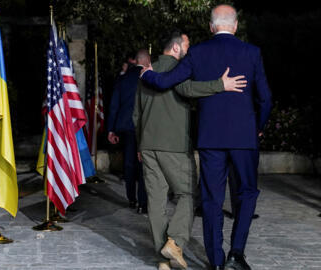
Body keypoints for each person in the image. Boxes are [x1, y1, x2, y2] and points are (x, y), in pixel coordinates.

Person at [140, 4, 272, 270]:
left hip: (210, 139)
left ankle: (216, 260)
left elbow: (168, 82)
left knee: (212, 199)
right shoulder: (251, 52)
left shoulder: (198, 52)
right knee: (247, 194)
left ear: (211, 27)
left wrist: (148, 74)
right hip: (244, 138)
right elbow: (265, 98)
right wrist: (257, 126)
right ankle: (236, 252)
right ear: (234, 26)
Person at [133, 32, 245, 270]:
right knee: (188, 194)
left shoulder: (146, 73)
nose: (189, 49)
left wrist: (140, 144)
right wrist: (220, 85)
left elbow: (137, 114)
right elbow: (189, 89)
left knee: (156, 201)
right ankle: (175, 241)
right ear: (176, 48)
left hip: (148, 145)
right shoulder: (177, 70)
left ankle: (163, 259)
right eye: (187, 45)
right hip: (173, 146)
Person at [108, 49, 149, 214]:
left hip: (127, 126)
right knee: (144, 165)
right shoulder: (149, 78)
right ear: (147, 62)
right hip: (145, 126)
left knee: (130, 163)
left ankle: (132, 198)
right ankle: (143, 203)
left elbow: (114, 106)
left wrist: (111, 129)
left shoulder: (123, 79)